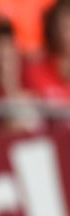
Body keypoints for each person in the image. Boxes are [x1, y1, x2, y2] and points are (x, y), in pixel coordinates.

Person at [25, 0, 70, 129]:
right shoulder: (34, 70)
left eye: (68, 26)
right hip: (48, 141)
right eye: (60, 26)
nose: (64, 33)